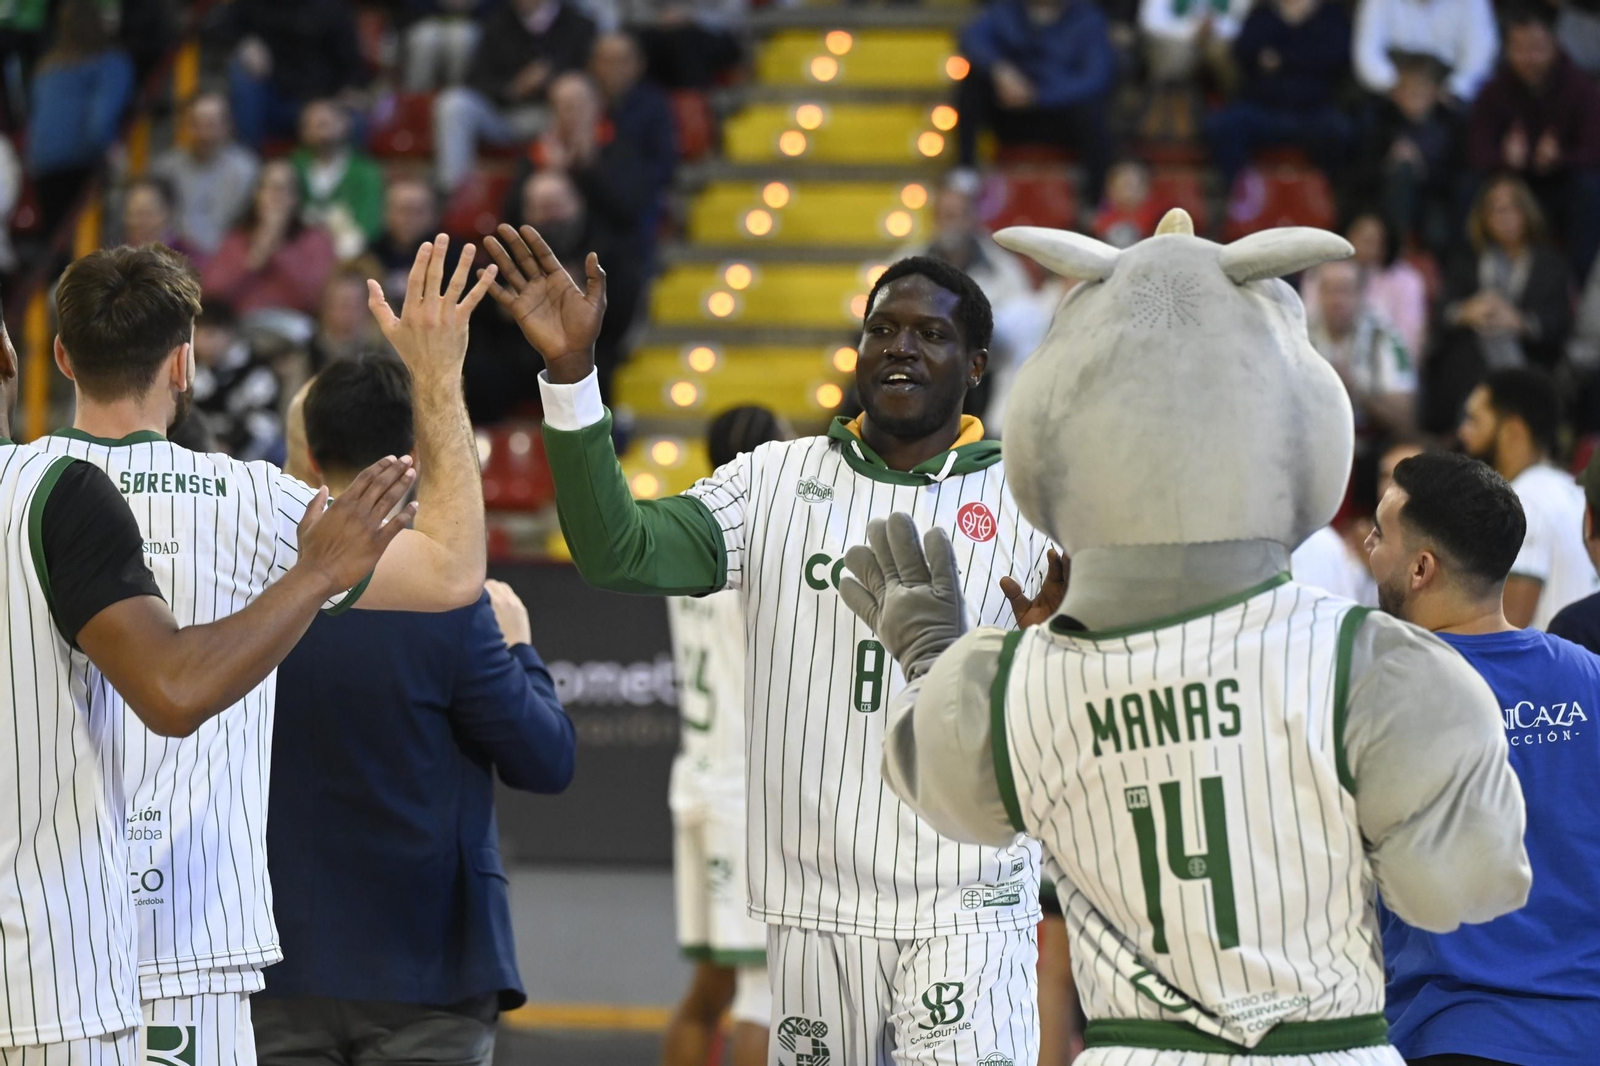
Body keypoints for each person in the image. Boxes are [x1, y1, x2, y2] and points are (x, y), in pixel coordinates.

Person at [841, 210, 1531, 1062]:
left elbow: (942, 787)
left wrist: (931, 661)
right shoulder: (1371, 664)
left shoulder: (1021, 683)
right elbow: (1460, 889)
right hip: (1326, 1043)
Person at [489, 223, 1066, 1065]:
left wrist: (1059, 648)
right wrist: (573, 375)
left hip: (970, 905)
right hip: (816, 910)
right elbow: (618, 552)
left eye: (931, 334)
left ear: (977, 364)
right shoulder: (771, 481)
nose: (901, 347)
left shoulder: (1032, 500)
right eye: (882, 329)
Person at [30, 238, 496, 1066]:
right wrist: (435, 376)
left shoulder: (11, 488)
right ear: (184, 366)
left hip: (34, 938)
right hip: (187, 939)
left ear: (62, 356)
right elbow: (454, 571)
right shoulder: (252, 499)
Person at [256, 355, 575, 1066]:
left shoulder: (254, 592)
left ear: (310, 459)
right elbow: (546, 759)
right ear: (415, 456)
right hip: (429, 970)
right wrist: (522, 649)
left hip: (274, 963)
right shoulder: (449, 601)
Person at [1365, 450, 1600, 1063]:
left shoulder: (1378, 697)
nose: (1367, 547)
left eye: (1379, 534)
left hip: (1455, 1034)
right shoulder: (1591, 678)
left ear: (1421, 568)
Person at [661, 406, 788, 1066]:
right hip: (750, 794)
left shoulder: (692, 534)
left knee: (710, 991)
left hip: (700, 781)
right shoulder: (769, 544)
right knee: (767, 997)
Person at [1423, 176, 1572, 433]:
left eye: (1512, 208)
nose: (1504, 217)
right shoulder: (1466, 260)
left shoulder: (1550, 263)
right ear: (1483, 218)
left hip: (1530, 359)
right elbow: (1442, 310)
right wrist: (1465, 312)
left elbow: (1559, 323)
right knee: (1457, 362)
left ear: (1527, 212)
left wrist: (1520, 322)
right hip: (1472, 361)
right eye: (1495, 210)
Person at [897, 182, 1050, 429]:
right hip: (924, 368)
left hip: (987, 371)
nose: (951, 223)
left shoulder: (1004, 269)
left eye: (957, 215)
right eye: (945, 215)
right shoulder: (907, 265)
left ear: (972, 218)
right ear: (934, 220)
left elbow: (1022, 328)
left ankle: (1000, 430)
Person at [1458, 367, 1598, 629]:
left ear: (1513, 431)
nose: (1462, 433)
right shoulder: (1576, 491)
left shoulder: (1523, 501)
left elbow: (1507, 628)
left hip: (1553, 653)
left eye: (1474, 421)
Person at [1468, 4, 1600, 277]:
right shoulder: (1494, 91)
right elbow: (1477, 151)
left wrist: (1559, 158)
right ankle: (1472, 277)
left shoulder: (1582, 89)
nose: (1529, 58)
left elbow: (1594, 151)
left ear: (1555, 43)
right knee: (1470, 187)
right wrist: (1505, 159)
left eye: (1537, 48)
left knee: (1587, 189)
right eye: (1520, 48)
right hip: (1512, 182)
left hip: (1561, 183)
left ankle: (1576, 281)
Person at [957, 0, 1115, 205]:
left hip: (1061, 117)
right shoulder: (1004, 10)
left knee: (1092, 110)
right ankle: (965, 172)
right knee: (972, 82)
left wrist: (1039, 96)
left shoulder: (1088, 17)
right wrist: (1000, 70)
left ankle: (1095, 201)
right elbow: (971, 38)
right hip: (1010, 112)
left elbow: (1096, 78)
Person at [432, 0, 598, 193]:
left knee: (571, 97)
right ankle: (453, 191)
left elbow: (588, 81)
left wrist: (549, 81)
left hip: (548, 114)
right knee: (454, 103)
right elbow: (475, 79)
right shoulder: (497, 22)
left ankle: (562, 187)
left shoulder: (579, 25)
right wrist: (512, 89)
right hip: (502, 113)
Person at [1204, 0, 1354, 193]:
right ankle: (1246, 196)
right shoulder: (1262, 14)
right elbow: (1244, 51)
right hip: (1264, 110)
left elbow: (1337, 57)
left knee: (1340, 131)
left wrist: (1282, 57)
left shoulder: (1331, 16)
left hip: (1313, 112)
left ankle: (1321, 197)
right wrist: (1305, 58)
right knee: (1224, 126)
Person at [25, 0, 135, 227]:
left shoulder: (46, 67)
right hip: (83, 163)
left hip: (43, 166)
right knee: (90, 240)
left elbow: (35, 118)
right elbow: (101, 122)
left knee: (59, 239)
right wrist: (111, 155)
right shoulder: (110, 62)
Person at [1348, 55, 1465, 264]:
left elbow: (1455, 177)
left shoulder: (1449, 125)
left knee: (1438, 231)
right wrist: (1389, 161)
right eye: (1408, 90)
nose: (1414, 96)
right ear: (1396, 93)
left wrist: (1422, 167)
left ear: (1435, 93)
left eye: (1421, 90)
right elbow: (1361, 174)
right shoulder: (1380, 122)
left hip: (1433, 198)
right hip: (1385, 199)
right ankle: (1398, 246)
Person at [203, 159, 338, 320]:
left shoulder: (315, 239)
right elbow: (212, 295)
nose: (276, 195)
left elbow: (317, 299)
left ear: (296, 198)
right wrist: (255, 257)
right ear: (256, 195)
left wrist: (279, 249)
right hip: (241, 324)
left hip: (296, 326)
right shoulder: (236, 240)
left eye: (284, 189)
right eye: (269, 187)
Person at [222, 0, 364, 148]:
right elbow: (219, 27)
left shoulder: (332, 7)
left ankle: (350, 164)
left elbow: (352, 62)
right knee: (243, 71)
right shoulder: (254, 4)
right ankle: (249, 156)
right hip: (274, 101)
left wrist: (347, 90)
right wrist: (244, 43)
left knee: (356, 118)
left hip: (325, 99)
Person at [1306, 257, 1417, 435]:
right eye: (1329, 290)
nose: (1336, 300)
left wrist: (1355, 392)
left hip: (1370, 441)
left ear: (1361, 293)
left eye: (1344, 290)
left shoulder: (1385, 337)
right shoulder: (1300, 335)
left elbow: (1404, 417)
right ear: (1318, 292)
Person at [152, 92, 261, 259]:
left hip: (230, 261)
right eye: (197, 124)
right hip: (174, 261)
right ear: (185, 126)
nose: (204, 134)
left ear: (227, 127)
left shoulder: (247, 170)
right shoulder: (165, 169)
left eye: (211, 125)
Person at [189, 297, 286, 460]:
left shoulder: (257, 372)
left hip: (252, 458)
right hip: (202, 454)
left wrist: (232, 448)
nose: (202, 343)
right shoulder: (192, 372)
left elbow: (265, 425)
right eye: (197, 334)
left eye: (210, 335)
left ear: (229, 333)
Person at [290, 99, 386, 258]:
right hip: (299, 254)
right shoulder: (293, 166)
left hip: (350, 254)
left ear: (346, 123)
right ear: (303, 130)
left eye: (327, 121)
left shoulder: (366, 171)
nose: (321, 127)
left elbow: (370, 224)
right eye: (313, 123)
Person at [1352, 0, 1498, 103]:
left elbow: (1480, 58)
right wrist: (1397, 87)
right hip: (1392, 90)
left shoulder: (1473, 3)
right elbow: (1367, 54)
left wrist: (1451, 89)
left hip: (1447, 92)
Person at [372, 177, 454, 302]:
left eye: (418, 211)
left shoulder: (453, 257)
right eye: (403, 210)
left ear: (434, 214)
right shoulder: (371, 255)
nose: (409, 219)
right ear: (386, 212)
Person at [401, 0, 490, 92]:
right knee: (425, 39)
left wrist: (472, 4)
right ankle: (416, 94)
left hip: (471, 20)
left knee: (462, 41)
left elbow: (494, 7)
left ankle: (456, 94)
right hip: (427, 18)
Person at [119, 175, 199, 262]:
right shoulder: (121, 258)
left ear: (167, 213)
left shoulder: (188, 258)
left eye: (144, 214)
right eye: (131, 214)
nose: (136, 222)